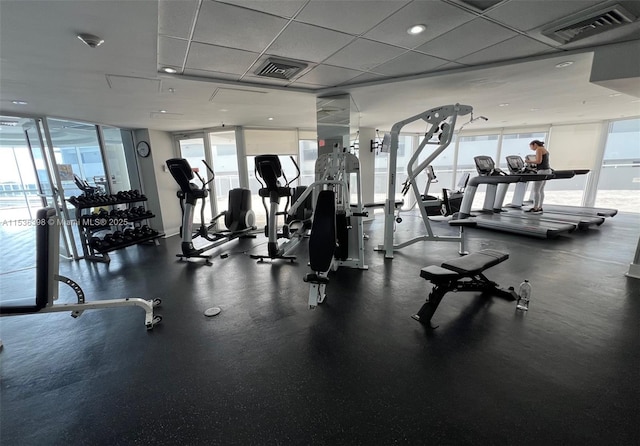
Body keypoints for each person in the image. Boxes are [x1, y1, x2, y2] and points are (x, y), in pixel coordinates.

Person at [525, 140, 552, 213]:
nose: (531, 149)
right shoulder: (544, 149)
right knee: (541, 190)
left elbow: (538, 161)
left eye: (531, 146)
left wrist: (529, 161)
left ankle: (535, 207)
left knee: (536, 190)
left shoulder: (539, 149)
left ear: (535, 144)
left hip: (542, 171)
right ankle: (540, 206)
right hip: (547, 170)